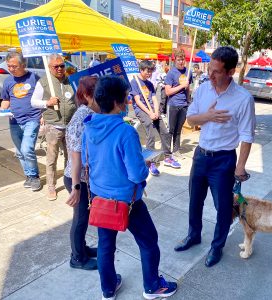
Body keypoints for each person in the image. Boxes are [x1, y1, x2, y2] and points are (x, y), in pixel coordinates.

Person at [81, 75, 177, 300]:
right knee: (149, 241)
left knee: (106, 245)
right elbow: (136, 174)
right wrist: (146, 163)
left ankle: (108, 288)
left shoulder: (89, 127)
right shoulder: (125, 132)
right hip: (127, 200)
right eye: (126, 98)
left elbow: (89, 163)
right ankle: (152, 287)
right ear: (116, 102)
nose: (128, 103)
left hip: (99, 198)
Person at [174, 46, 256, 268]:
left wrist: (240, 167)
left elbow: (247, 135)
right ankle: (194, 235)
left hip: (223, 160)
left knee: (222, 207)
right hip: (200, 156)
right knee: (195, 201)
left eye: (217, 71)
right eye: (210, 68)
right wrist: (207, 116)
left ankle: (217, 246)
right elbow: (190, 120)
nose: (210, 74)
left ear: (230, 71)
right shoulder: (202, 90)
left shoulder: (243, 99)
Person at [64, 76, 100, 270]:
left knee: (83, 219)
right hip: (77, 178)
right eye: (98, 94)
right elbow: (76, 155)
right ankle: (77, 258)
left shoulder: (89, 113)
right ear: (86, 95)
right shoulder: (82, 116)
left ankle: (82, 248)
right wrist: (77, 187)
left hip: (84, 177)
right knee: (80, 220)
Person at [31, 54, 77, 200]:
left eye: (62, 66)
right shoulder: (44, 82)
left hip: (70, 125)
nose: (59, 69)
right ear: (50, 67)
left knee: (71, 157)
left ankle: (70, 182)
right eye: (55, 66)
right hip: (53, 126)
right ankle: (51, 186)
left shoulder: (70, 80)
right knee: (52, 158)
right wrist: (47, 103)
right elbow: (33, 102)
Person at [130, 60, 180, 176]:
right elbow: (138, 101)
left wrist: (156, 112)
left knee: (164, 131)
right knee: (151, 132)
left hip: (153, 110)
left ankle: (168, 156)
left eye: (151, 72)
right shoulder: (134, 82)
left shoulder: (150, 84)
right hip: (142, 110)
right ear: (141, 70)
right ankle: (150, 161)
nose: (149, 74)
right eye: (148, 71)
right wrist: (150, 113)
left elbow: (154, 99)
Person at [0, 52, 41, 191]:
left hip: (32, 118)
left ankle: (35, 177)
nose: (11, 69)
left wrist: (44, 115)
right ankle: (29, 175)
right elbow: (6, 100)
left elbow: (44, 97)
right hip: (14, 121)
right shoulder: (8, 81)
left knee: (26, 148)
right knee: (19, 152)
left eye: (14, 66)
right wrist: (2, 111)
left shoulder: (34, 78)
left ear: (23, 65)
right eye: (9, 66)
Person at [164, 49, 193, 159]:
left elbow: (188, 88)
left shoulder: (188, 72)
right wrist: (182, 86)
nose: (181, 62)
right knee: (171, 130)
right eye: (179, 60)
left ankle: (176, 151)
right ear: (175, 60)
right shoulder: (171, 73)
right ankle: (167, 153)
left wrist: (189, 101)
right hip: (173, 104)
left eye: (183, 59)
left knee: (179, 130)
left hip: (184, 105)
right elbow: (167, 92)